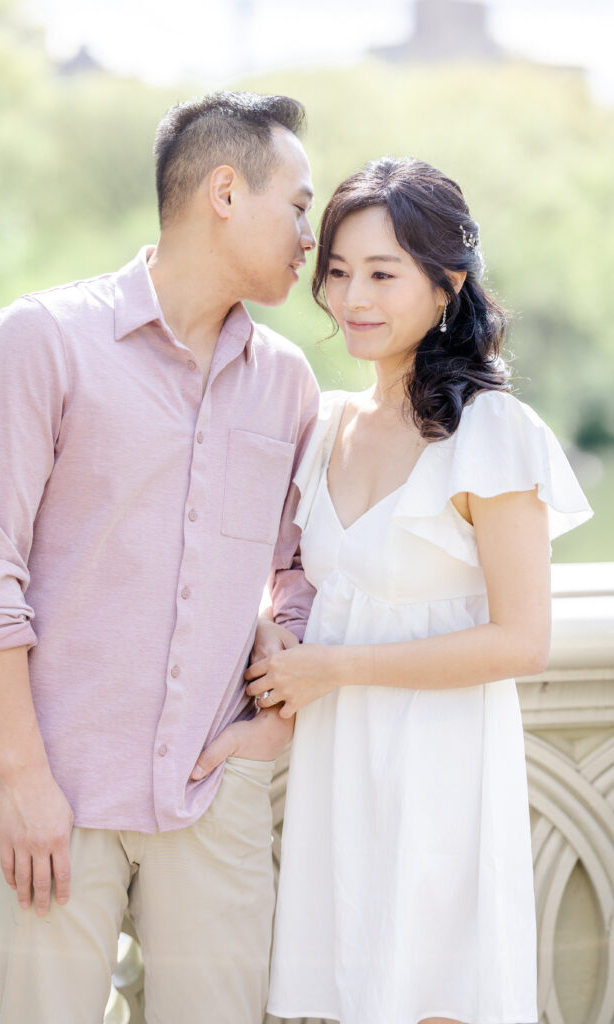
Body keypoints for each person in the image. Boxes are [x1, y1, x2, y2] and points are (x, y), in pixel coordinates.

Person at [0, 91, 319, 1024]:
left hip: (211, 794)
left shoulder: (288, 383)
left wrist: (267, 733)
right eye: (298, 204)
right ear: (224, 191)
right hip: (52, 792)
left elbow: (304, 573)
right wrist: (23, 778)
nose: (309, 234)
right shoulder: (44, 341)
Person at [194, 157, 593, 1024]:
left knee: (434, 1001)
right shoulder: (326, 422)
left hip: (441, 768)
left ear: (446, 283)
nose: (351, 299)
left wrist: (335, 667)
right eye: (336, 271)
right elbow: (301, 584)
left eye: (383, 273)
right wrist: (274, 638)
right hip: (338, 766)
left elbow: (522, 640)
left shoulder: (491, 431)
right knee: (342, 999)